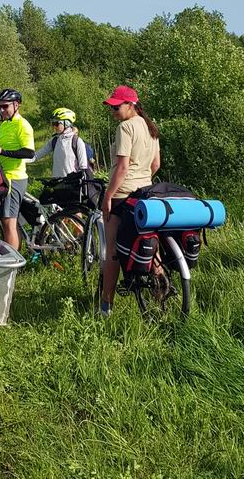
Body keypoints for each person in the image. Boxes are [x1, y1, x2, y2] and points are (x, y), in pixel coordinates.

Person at [99, 85, 161, 316]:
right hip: (145, 192)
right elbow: (156, 165)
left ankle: (106, 305)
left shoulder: (125, 127)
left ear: (131, 105)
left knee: (112, 250)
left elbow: (123, 167)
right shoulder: (150, 127)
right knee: (149, 241)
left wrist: (108, 196)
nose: (113, 110)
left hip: (122, 194)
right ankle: (160, 281)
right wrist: (142, 179)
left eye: (117, 106)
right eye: (111, 107)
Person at [0, 88, 34, 249]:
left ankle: (12, 265)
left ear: (16, 105)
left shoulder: (22, 125)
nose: (1, 110)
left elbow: (29, 152)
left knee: (9, 221)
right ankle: (14, 259)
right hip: (1, 177)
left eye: (5, 107)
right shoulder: (4, 125)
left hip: (13, 178)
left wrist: (2, 151)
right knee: (8, 221)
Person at [32, 108, 89, 178]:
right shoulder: (55, 140)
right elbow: (37, 155)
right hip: (57, 184)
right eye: (53, 123)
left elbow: (83, 168)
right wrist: (20, 159)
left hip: (73, 185)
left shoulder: (77, 141)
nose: (54, 126)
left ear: (66, 123)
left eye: (56, 123)